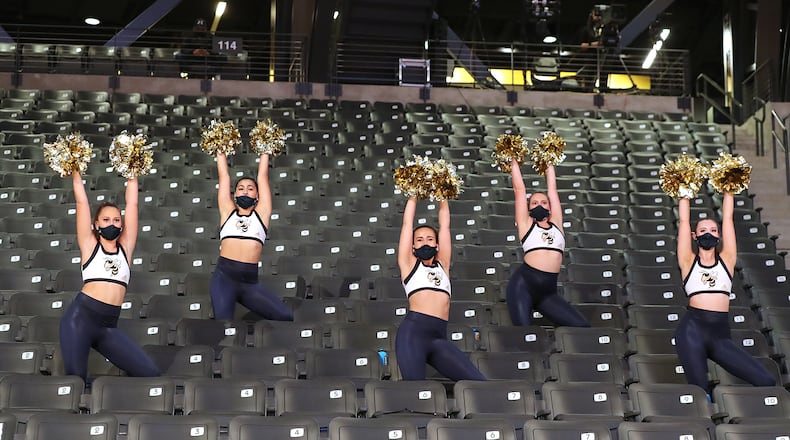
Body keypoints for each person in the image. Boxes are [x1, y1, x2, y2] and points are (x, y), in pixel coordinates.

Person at [59, 172, 160, 381]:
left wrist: (133, 174)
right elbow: (82, 203)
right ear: (96, 225)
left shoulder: (126, 248)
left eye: (116, 220)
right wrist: (76, 173)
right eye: (106, 220)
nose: (112, 224)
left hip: (108, 325)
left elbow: (132, 204)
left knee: (149, 373)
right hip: (80, 319)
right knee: (76, 381)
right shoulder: (89, 245)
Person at [674, 192, 776, 394]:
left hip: (720, 335)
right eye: (702, 230)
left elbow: (728, 218)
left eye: (713, 230)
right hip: (692, 330)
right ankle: (709, 422)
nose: (708, 234)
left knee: (766, 381)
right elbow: (684, 220)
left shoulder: (727, 260)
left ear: (719, 235)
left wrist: (729, 189)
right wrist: (684, 191)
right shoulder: (688, 261)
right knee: (700, 391)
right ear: (694, 236)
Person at [394, 197, 485, 381]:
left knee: (479, 384)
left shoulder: (442, 265)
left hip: (439, 337)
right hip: (413, 334)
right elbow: (406, 224)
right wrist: (413, 195)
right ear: (412, 246)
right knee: (416, 390)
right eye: (419, 240)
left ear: (437, 245)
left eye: (430, 239)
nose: (425, 243)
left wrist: (443, 193)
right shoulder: (409, 264)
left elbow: (445, 226)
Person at [209, 151, 294, 322]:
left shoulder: (261, 215)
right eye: (241, 188)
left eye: (250, 189)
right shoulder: (227, 212)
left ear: (257, 195)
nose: (245, 192)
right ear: (235, 194)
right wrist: (220, 149)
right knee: (223, 326)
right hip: (224, 278)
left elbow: (262, 177)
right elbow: (224, 177)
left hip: (249, 283)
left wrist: (265, 149)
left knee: (285, 316)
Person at [505, 160, 590, 327]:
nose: (539, 205)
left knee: (582, 328)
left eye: (544, 203)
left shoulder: (557, 224)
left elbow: (552, 189)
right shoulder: (526, 225)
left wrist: (550, 160)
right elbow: (519, 190)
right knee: (525, 335)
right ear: (528, 208)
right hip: (523, 286)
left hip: (547, 293)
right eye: (534, 203)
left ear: (550, 208)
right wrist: (513, 161)